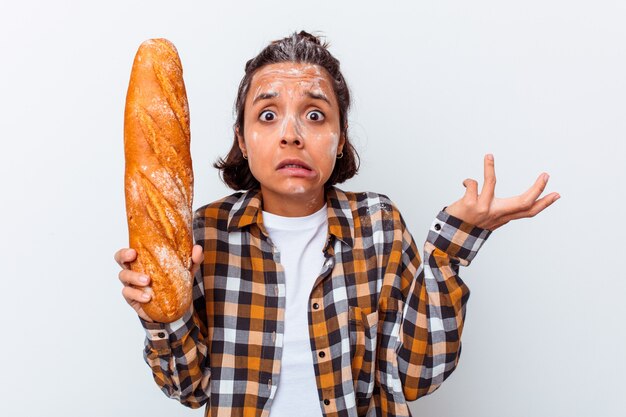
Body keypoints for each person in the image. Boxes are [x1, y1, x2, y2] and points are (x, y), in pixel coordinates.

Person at [114, 31, 559, 417]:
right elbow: (188, 389)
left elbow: (414, 378)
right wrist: (164, 315)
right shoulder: (205, 234)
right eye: (268, 115)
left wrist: (451, 250)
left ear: (340, 137)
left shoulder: (377, 225)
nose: (291, 133)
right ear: (242, 141)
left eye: (314, 114)